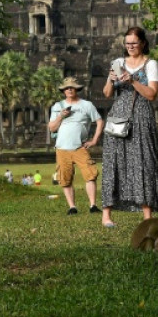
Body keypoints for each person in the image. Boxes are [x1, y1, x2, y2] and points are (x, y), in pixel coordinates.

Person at [100, 27, 158, 228]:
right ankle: (106, 215)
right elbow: (107, 94)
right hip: (118, 114)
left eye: (134, 43)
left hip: (142, 115)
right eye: (127, 44)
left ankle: (147, 215)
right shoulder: (118, 63)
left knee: (144, 161)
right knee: (113, 161)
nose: (130, 47)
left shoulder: (150, 64)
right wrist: (111, 80)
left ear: (143, 43)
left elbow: (152, 94)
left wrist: (133, 80)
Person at [48, 76, 104, 215]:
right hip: (62, 148)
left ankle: (93, 205)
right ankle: (72, 207)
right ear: (63, 91)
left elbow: (99, 121)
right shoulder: (58, 106)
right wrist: (61, 116)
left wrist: (94, 140)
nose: (69, 90)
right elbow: (52, 128)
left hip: (80, 147)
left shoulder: (86, 105)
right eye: (67, 88)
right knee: (65, 178)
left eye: (72, 87)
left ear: (77, 89)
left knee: (90, 174)